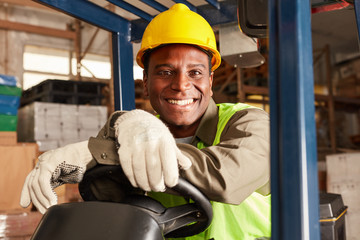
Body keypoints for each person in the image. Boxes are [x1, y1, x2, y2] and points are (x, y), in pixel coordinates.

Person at [20, 3, 271, 240]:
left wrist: (100, 152)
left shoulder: (249, 122)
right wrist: (114, 136)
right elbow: (108, 199)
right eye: (165, 72)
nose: (182, 85)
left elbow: (226, 177)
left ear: (210, 83)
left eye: (195, 73)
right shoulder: (129, 132)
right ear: (147, 84)